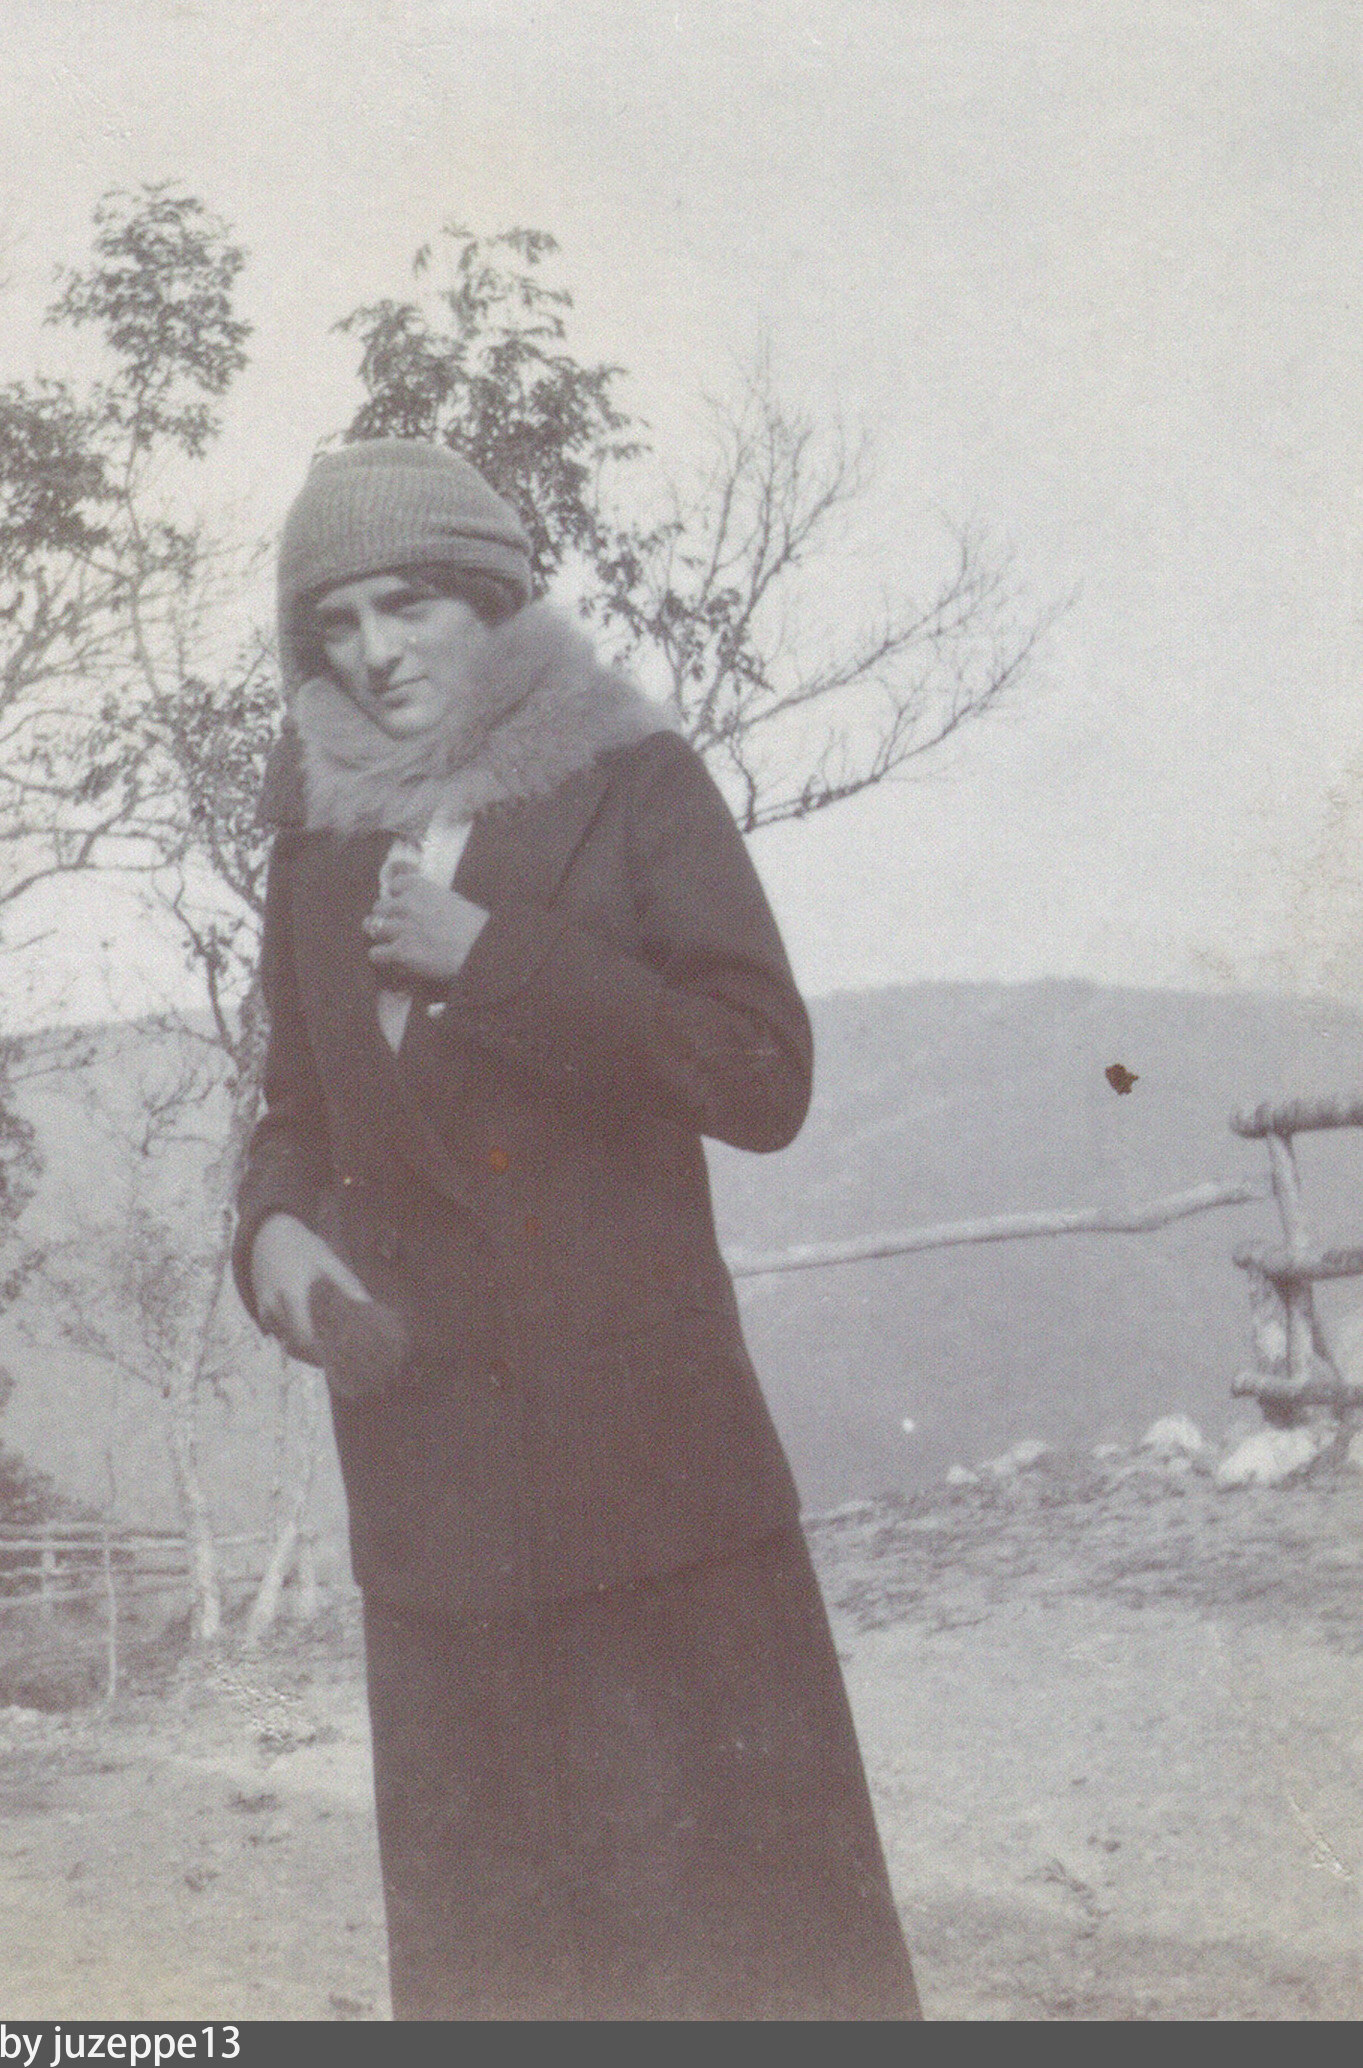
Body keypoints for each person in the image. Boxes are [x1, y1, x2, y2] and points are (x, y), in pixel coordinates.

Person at [233, 437, 920, 2020]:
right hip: (433, 1501)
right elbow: (294, 1112)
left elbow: (761, 1074)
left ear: (491, 600)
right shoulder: (319, 846)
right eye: (335, 623)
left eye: (409, 604)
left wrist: (494, 957)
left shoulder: (632, 781)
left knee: (734, 1954)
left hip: (649, 1489)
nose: (373, 652)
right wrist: (271, 1237)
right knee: (499, 1971)